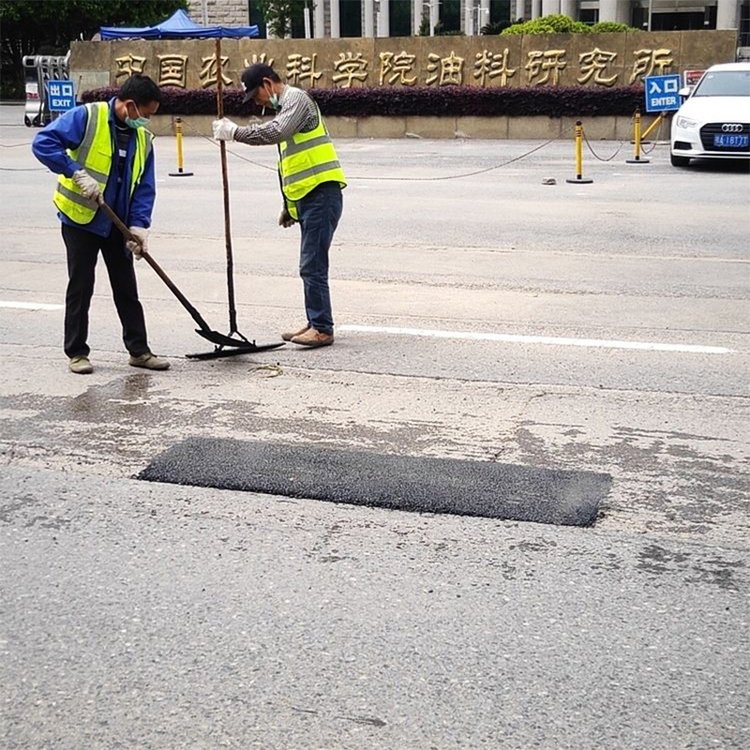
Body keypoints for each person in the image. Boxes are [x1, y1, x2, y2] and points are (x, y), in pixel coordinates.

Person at [32, 74, 169, 374]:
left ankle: (139, 350)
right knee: (81, 285)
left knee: (126, 287)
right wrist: (74, 172)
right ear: (130, 105)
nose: (146, 121)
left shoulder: (143, 139)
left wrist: (139, 227)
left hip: (116, 223)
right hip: (80, 219)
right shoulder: (88, 117)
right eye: (144, 115)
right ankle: (77, 353)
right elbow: (43, 142)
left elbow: (144, 188)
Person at [212, 63, 346, 349]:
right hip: (310, 198)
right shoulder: (286, 108)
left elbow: (275, 132)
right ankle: (314, 321)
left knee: (312, 265)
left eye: (257, 96)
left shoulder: (296, 99)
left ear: (267, 84)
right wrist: (289, 205)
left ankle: (322, 328)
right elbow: (290, 165)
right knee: (311, 264)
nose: (259, 103)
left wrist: (235, 133)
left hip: (322, 195)